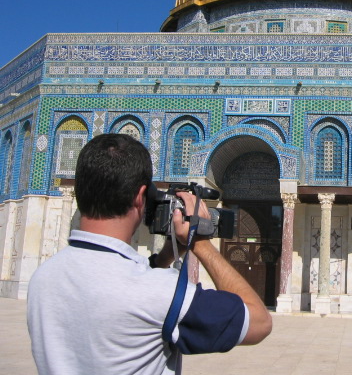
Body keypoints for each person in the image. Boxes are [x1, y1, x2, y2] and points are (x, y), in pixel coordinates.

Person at [27, 133, 272, 374]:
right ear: (139, 198)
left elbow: (113, 286)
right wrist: (200, 241)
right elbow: (258, 322)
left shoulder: (43, 278)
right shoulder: (160, 293)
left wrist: (164, 257)